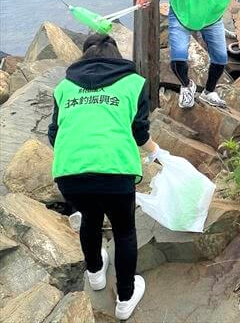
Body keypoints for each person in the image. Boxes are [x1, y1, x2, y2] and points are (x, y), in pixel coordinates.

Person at [48, 34, 165, 321]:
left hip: (70, 173)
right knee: (124, 231)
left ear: (83, 58)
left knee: (89, 218)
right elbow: (139, 133)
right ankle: (125, 297)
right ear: (115, 56)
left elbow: (53, 134)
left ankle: (95, 272)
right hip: (116, 171)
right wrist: (157, 153)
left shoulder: (64, 88)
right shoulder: (134, 84)